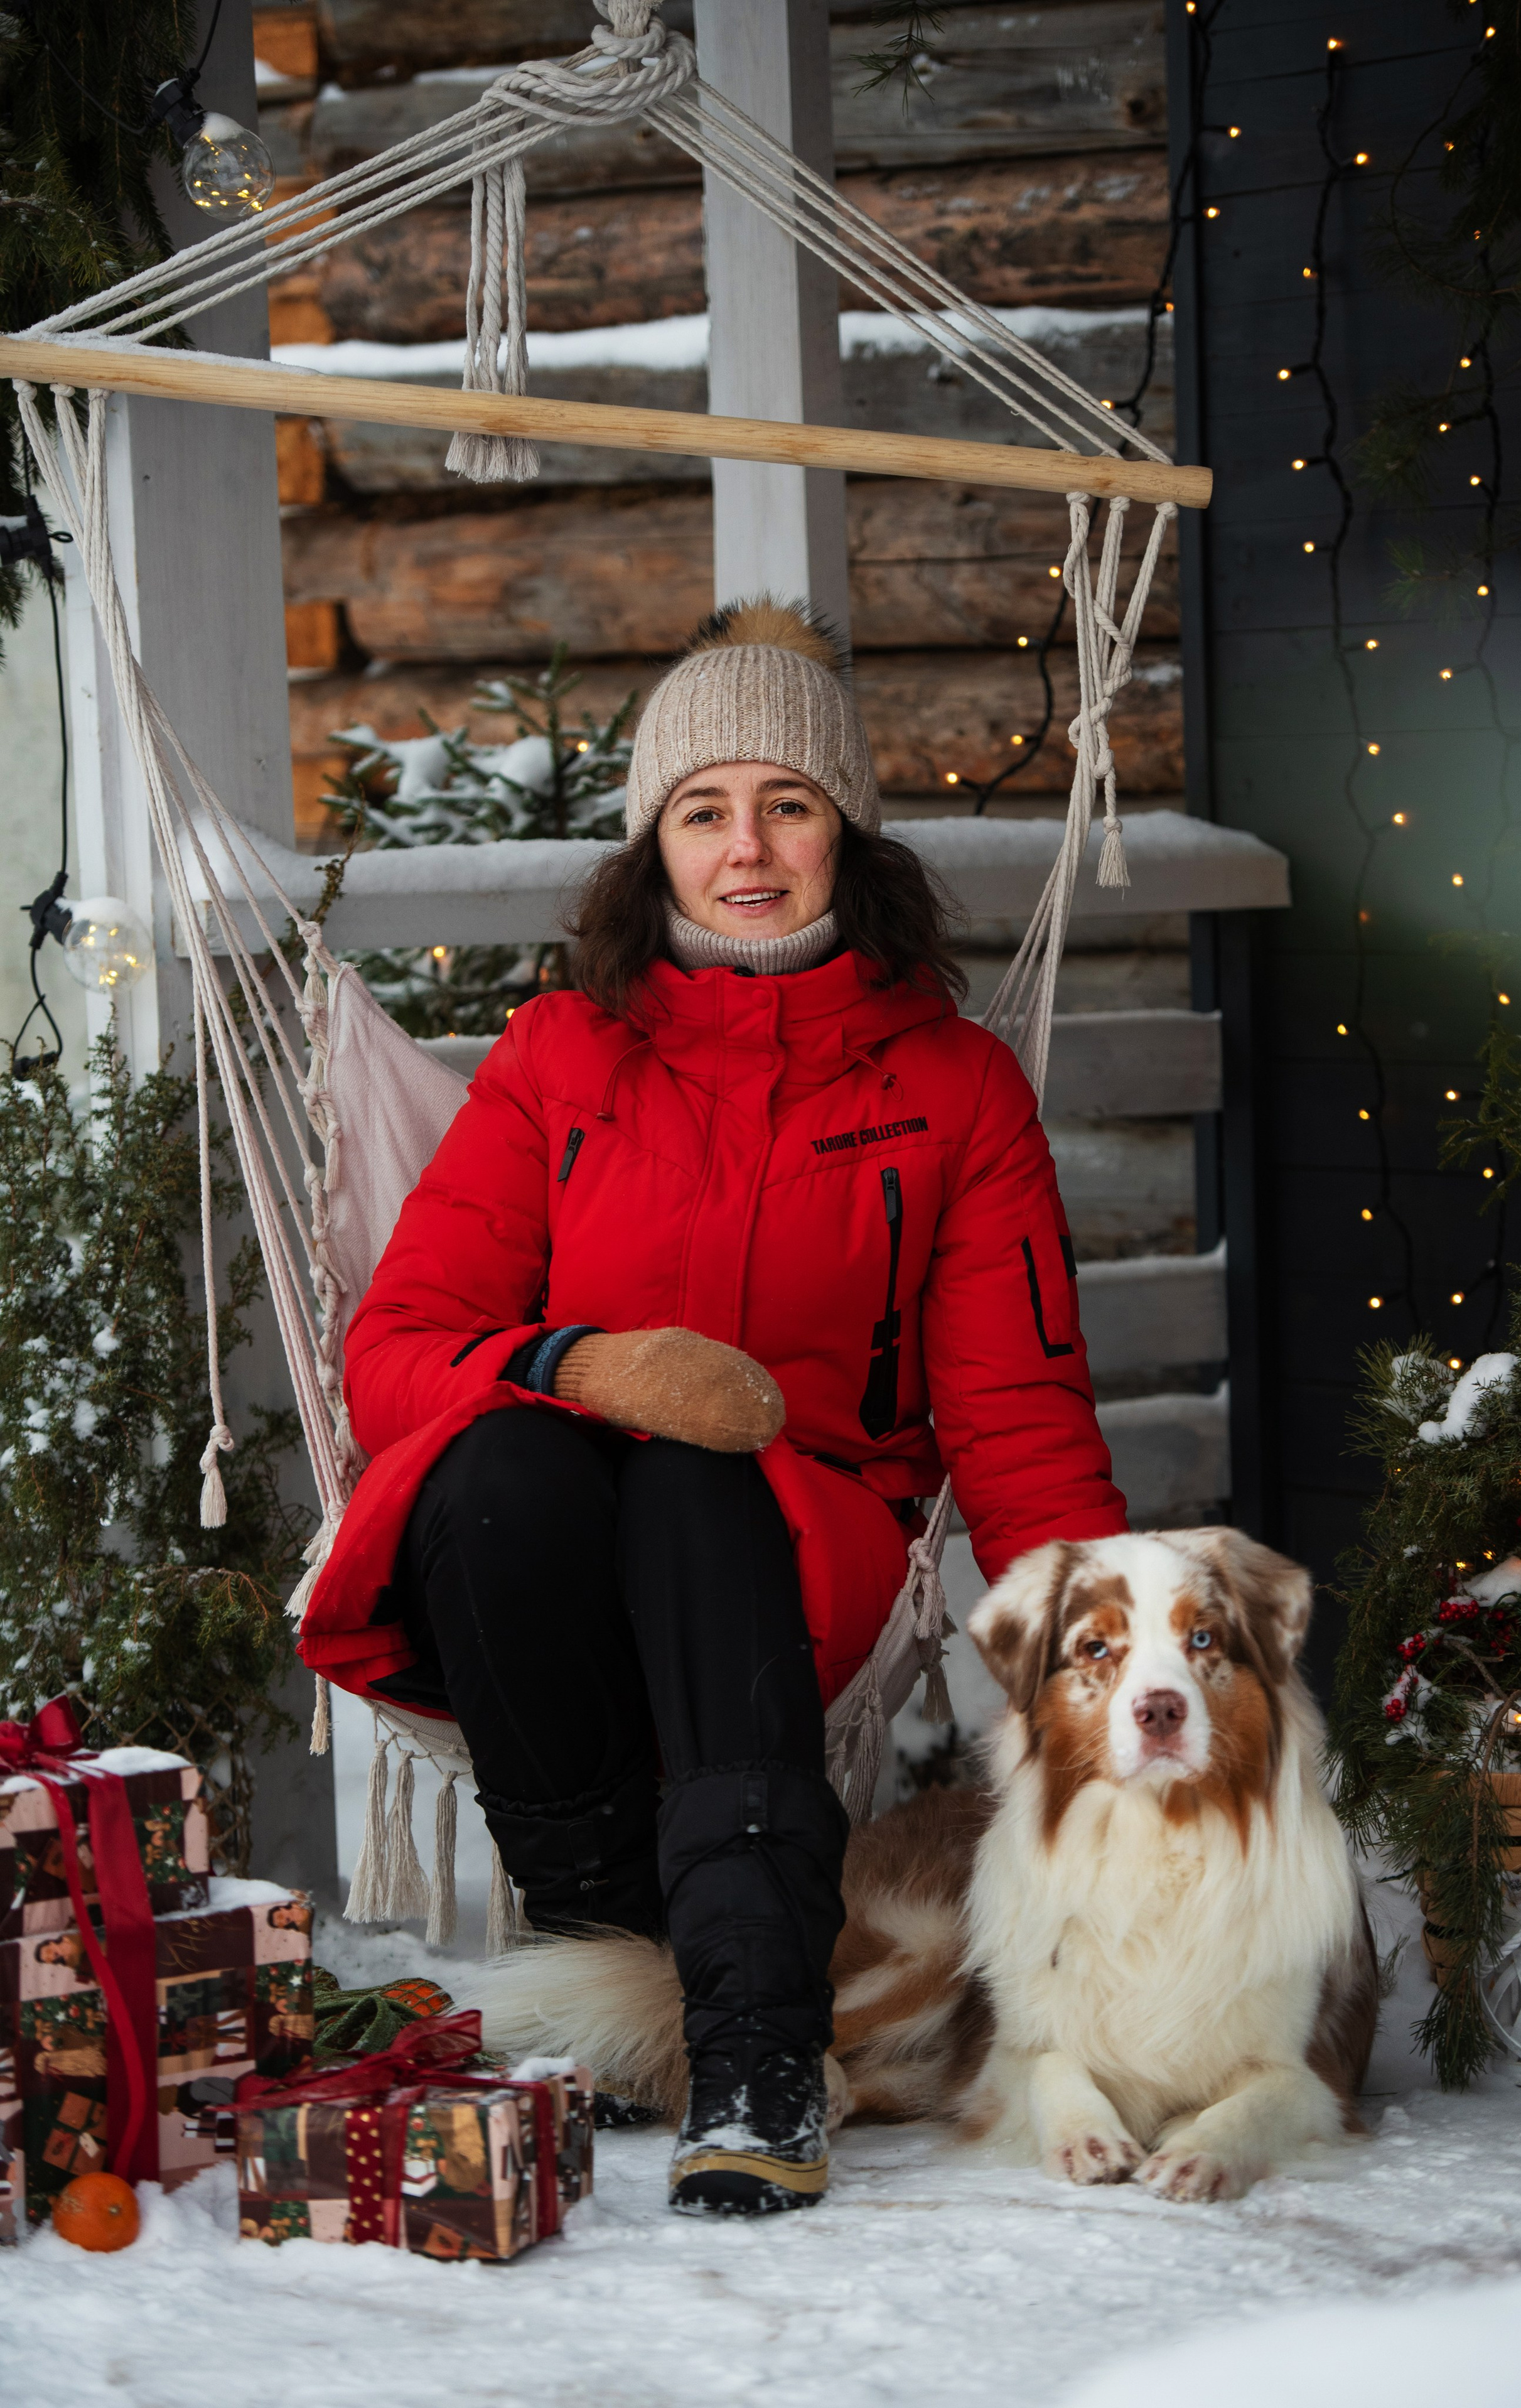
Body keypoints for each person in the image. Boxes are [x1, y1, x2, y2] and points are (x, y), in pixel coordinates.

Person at [298, 598, 1126, 2215]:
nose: (745, 850)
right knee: (498, 1471)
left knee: (700, 1486)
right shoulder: (563, 1056)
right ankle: (608, 1960)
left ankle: (754, 2036)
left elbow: (1016, 1409)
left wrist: (1100, 1656)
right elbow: (399, 1348)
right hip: (555, 1557)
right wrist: (579, 1366)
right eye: (702, 811)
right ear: (652, 848)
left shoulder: (951, 1087)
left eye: (787, 805)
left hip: (798, 1540)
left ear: (846, 835)